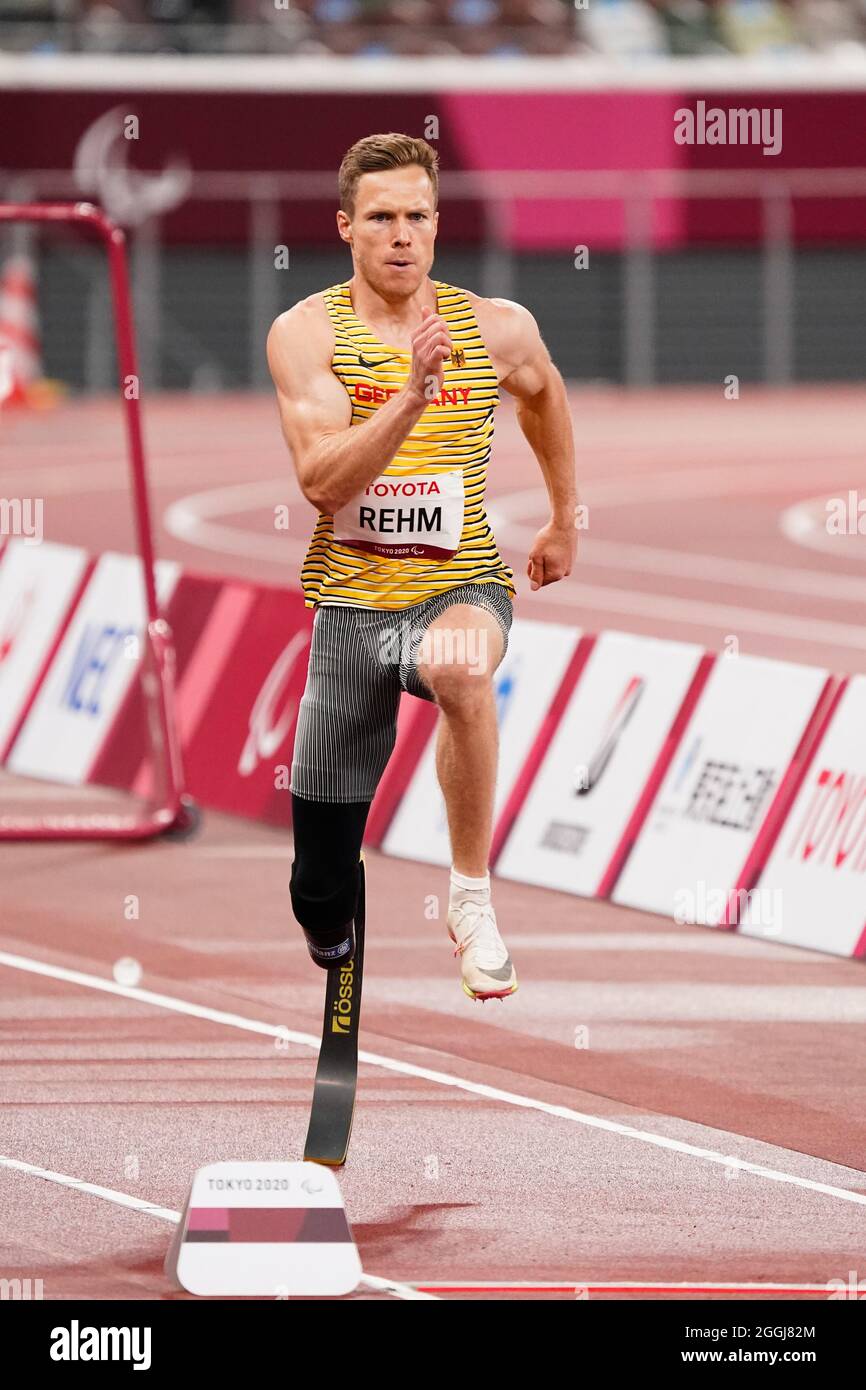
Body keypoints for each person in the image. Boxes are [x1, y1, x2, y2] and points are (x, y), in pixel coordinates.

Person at [267, 132, 577, 1001]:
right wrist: (410, 396)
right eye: (381, 219)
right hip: (351, 610)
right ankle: (332, 925)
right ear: (345, 227)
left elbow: (544, 393)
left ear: (437, 224)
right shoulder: (306, 336)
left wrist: (563, 516)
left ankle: (471, 902)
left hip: (459, 585)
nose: (401, 235)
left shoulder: (498, 327)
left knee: (462, 668)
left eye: (417, 216)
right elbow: (323, 483)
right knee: (318, 890)